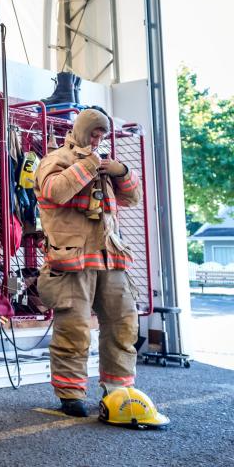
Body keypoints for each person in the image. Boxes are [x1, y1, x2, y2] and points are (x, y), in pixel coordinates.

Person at [35, 108, 163, 421]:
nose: (98, 139)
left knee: (123, 324)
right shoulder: (56, 159)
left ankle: (119, 391)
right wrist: (89, 164)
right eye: (94, 133)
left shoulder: (104, 165)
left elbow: (132, 199)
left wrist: (120, 171)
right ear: (81, 130)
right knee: (74, 329)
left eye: (102, 135)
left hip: (110, 257)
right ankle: (70, 395)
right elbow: (54, 192)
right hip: (72, 260)